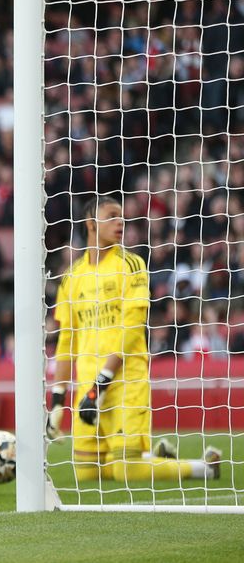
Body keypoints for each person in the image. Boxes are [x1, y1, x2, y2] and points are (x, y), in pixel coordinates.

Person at [48, 195, 221, 482]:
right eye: (112, 216)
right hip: (87, 387)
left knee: (127, 471)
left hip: (125, 381)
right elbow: (67, 341)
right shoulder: (71, 277)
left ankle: (204, 467)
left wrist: (101, 382)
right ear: (91, 223)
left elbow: (133, 329)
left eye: (122, 216)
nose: (120, 222)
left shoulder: (132, 265)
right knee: (87, 474)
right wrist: (56, 400)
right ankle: (159, 459)